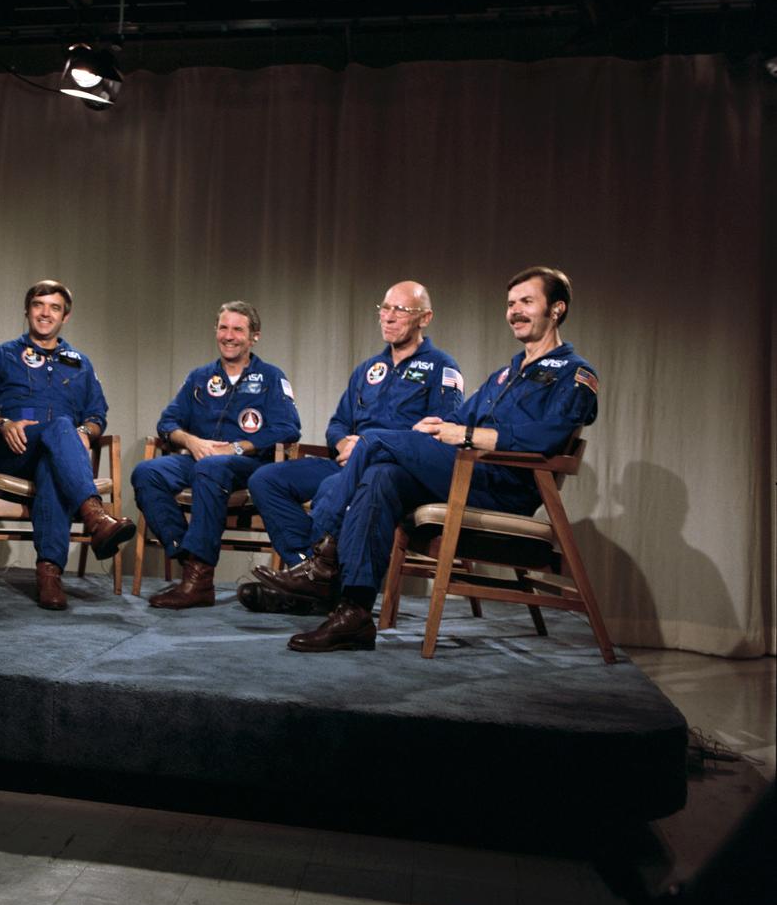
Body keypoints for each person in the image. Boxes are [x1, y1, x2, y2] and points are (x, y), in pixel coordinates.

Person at [259, 266, 599, 653]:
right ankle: (354, 613)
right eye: (510, 304)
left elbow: (549, 437)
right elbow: (459, 419)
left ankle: (322, 561)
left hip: (505, 486)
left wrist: (467, 435)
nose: (515, 311)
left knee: (374, 443)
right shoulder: (504, 376)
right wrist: (438, 426)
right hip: (469, 476)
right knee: (383, 477)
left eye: (526, 302)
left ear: (556, 309)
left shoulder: (575, 373)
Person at [239, 280, 463, 615]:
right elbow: (338, 424)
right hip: (346, 462)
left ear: (425, 318)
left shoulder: (442, 368)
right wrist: (345, 442)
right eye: (384, 308)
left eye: (400, 310)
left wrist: (372, 445)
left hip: (389, 471)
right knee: (265, 480)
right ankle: (310, 574)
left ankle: (318, 583)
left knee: (332, 486)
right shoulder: (368, 370)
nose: (388, 317)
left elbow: (439, 433)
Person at [0, 280, 135, 611]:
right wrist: (3, 424)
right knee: (61, 427)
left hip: (58, 454)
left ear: (65, 316)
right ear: (27, 310)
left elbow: (97, 414)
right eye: (39, 305)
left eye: (54, 308)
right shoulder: (1, 355)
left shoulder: (79, 362)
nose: (46, 313)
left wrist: (86, 431)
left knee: (54, 457)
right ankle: (95, 516)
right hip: (13, 450)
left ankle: (49, 575)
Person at [131, 301, 302, 609]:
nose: (229, 336)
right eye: (223, 328)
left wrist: (238, 447)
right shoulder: (199, 378)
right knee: (146, 472)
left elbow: (288, 428)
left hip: (248, 466)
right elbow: (167, 422)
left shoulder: (271, 377)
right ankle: (190, 561)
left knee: (211, 467)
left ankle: (197, 578)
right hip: (200, 459)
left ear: (254, 337)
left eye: (238, 329)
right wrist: (191, 440)